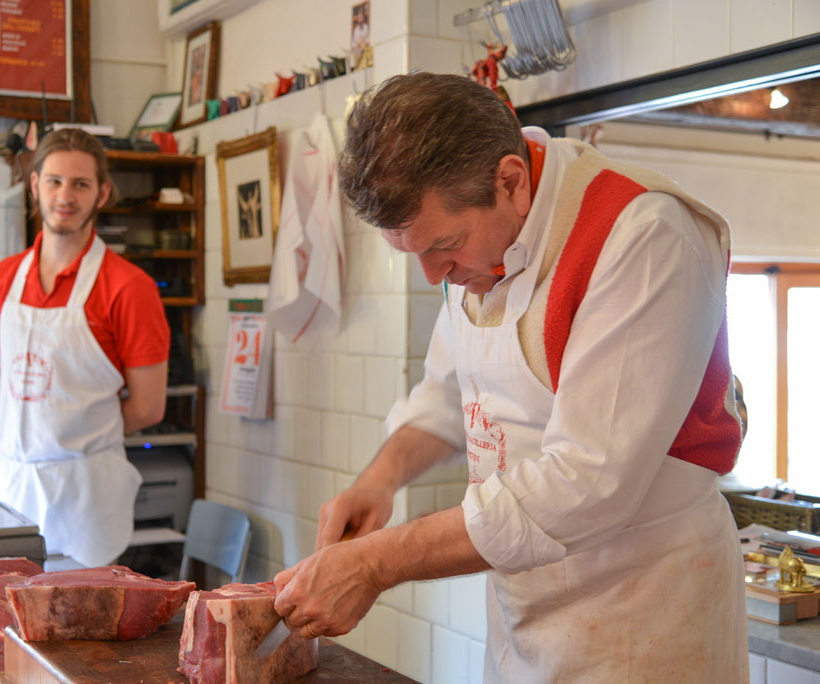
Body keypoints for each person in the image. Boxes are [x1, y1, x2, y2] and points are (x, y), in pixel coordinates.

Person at [272, 73, 748, 682]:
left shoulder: (643, 236)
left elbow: (587, 481)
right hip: (527, 608)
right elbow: (450, 395)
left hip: (643, 609)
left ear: (511, 181)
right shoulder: (478, 245)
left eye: (444, 245)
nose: (431, 275)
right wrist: (380, 479)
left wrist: (378, 563)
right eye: (412, 253)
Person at [0, 128, 170, 567]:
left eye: (80, 184)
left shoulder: (129, 287)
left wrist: (76, 432)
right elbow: (8, 383)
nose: (65, 195)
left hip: (86, 499)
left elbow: (148, 407)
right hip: (9, 489)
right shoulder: (2, 280)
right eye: (55, 181)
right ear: (35, 185)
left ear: (102, 193)